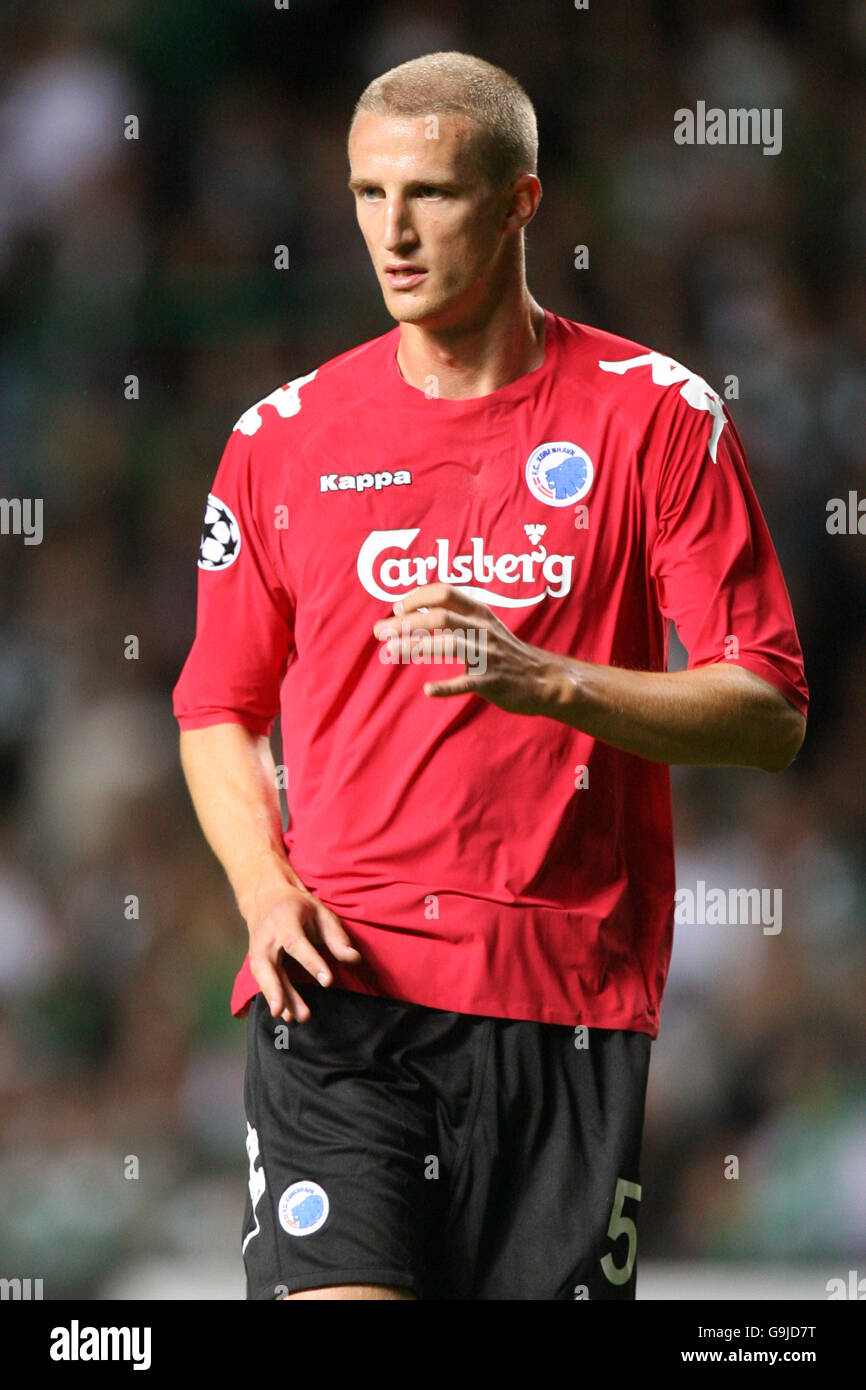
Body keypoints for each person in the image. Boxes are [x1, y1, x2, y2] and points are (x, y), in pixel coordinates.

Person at [172, 51, 808, 1301]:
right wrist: (261, 885)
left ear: (521, 200)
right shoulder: (281, 438)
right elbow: (215, 708)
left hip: (564, 1001)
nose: (392, 234)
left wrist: (546, 680)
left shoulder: (654, 416)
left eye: (432, 195)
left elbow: (766, 707)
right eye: (365, 195)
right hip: (341, 986)